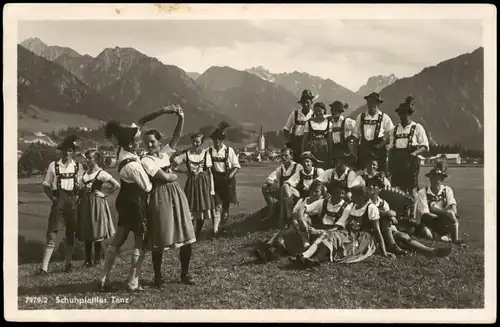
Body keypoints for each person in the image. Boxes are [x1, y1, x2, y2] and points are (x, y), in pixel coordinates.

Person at [140, 106, 197, 287]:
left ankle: (185, 273)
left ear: (159, 141)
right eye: (146, 143)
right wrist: (174, 175)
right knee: (161, 234)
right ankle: (158, 276)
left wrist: (181, 118)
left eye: (152, 142)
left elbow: (176, 137)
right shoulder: (145, 160)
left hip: (176, 194)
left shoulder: (165, 153)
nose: (149, 145)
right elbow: (164, 177)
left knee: (185, 230)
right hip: (160, 195)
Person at [98, 121, 152, 292]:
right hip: (136, 203)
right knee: (139, 239)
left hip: (123, 201)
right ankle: (133, 282)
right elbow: (147, 186)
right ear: (130, 144)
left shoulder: (121, 153)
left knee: (119, 238)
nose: (139, 143)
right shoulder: (134, 165)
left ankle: (104, 278)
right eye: (136, 141)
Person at [291, 185, 395, 267]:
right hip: (349, 233)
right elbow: (342, 223)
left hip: (364, 237)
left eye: (353, 195)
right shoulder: (352, 206)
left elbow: (377, 230)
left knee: (340, 244)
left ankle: (315, 259)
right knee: (330, 236)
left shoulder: (371, 208)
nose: (350, 197)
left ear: (361, 197)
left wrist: (384, 251)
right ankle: (305, 256)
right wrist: (328, 231)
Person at [367, 175, 452, 258]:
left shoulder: (383, 203)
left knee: (403, 236)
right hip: (370, 232)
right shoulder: (364, 201)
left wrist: (392, 219)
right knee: (395, 230)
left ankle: (430, 250)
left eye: (374, 185)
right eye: (369, 185)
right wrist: (387, 214)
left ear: (379, 189)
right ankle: (393, 245)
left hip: (384, 233)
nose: (371, 187)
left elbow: (391, 223)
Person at [37, 135, 84, 275]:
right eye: (65, 150)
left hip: (73, 202)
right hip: (59, 201)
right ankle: (44, 268)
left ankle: (68, 264)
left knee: (71, 233)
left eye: (70, 151)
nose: (67, 153)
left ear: (73, 152)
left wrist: (79, 196)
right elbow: (46, 186)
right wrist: (53, 199)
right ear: (61, 151)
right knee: (52, 232)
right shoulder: (54, 165)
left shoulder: (78, 166)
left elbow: (81, 186)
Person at [252, 180, 327, 262]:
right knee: (286, 233)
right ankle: (270, 250)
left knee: (292, 230)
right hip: (297, 226)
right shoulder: (303, 200)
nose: (314, 193)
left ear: (322, 193)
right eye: (312, 190)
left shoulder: (321, 203)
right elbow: (295, 214)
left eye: (317, 191)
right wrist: (296, 224)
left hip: (309, 228)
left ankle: (272, 250)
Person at [77, 149, 120, 268]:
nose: (87, 160)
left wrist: (104, 194)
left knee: (96, 230)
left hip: (96, 203)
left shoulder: (101, 173)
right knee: (87, 230)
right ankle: (87, 260)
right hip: (85, 203)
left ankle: (96, 260)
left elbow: (116, 185)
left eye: (89, 158)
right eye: (86, 158)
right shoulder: (84, 173)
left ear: (96, 159)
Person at [171, 132, 216, 239]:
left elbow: (210, 173)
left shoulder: (205, 154)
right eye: (194, 141)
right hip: (191, 183)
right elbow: (173, 165)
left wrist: (212, 189)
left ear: (201, 143)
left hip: (203, 184)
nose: (195, 144)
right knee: (190, 208)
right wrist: (184, 172)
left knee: (202, 209)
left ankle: (198, 233)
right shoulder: (186, 154)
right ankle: (191, 234)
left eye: (198, 142)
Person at [415, 167, 467, 247]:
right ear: (429, 179)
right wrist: (444, 214)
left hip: (444, 221)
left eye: (437, 178)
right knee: (427, 236)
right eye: (432, 178)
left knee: (450, 213)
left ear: (442, 180)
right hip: (429, 222)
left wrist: (437, 210)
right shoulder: (422, 192)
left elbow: (454, 209)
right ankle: (442, 237)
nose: (435, 181)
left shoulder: (447, 190)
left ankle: (455, 240)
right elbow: (425, 214)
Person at [388, 96, 429, 194]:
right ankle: (399, 208)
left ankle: (413, 209)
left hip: (411, 162)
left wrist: (415, 153)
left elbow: (425, 146)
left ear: (409, 113)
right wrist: (389, 166)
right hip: (396, 162)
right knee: (396, 189)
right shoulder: (394, 130)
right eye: (400, 113)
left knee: (412, 188)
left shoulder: (417, 127)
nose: (402, 115)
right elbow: (390, 148)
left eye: (405, 113)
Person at [209, 121, 241, 235]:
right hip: (216, 181)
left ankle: (223, 227)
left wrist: (230, 176)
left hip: (227, 181)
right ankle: (215, 231)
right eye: (214, 139)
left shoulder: (229, 150)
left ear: (222, 140)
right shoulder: (209, 151)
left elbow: (237, 166)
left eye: (219, 139)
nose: (216, 141)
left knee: (226, 207)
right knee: (217, 206)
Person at [353, 92, 394, 174]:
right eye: (369, 102)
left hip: (378, 151)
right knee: (362, 173)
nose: (370, 105)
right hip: (364, 149)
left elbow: (391, 134)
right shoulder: (361, 117)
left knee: (379, 173)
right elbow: (356, 135)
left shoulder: (384, 118)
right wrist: (355, 152)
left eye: (373, 102)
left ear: (378, 103)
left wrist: (381, 145)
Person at [261, 147, 303, 225]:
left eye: (286, 155)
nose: (283, 158)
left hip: (295, 193)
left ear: (291, 156)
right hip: (282, 193)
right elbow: (268, 179)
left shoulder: (298, 167)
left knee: (285, 188)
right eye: (282, 156)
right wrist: (273, 184)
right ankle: (272, 209)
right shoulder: (280, 169)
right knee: (265, 187)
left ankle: (286, 217)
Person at [282, 151, 325, 223]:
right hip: (303, 196)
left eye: (308, 161)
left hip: (316, 196)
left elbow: (326, 184)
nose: (305, 164)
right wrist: (289, 198)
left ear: (312, 163)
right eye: (303, 162)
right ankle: (289, 219)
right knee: (286, 191)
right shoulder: (300, 173)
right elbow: (286, 184)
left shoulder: (318, 171)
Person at [283, 89, 315, 162]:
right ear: (301, 103)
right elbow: (286, 129)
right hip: (296, 143)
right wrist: (290, 141)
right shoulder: (295, 114)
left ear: (311, 102)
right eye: (303, 102)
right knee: (296, 165)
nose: (305, 104)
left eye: (307, 102)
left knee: (307, 164)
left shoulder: (314, 115)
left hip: (308, 144)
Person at [302, 102, 332, 169]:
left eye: (320, 111)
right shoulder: (309, 122)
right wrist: (304, 153)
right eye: (316, 111)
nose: (318, 113)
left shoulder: (329, 123)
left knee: (324, 167)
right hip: (312, 149)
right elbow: (304, 139)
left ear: (324, 110)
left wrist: (331, 155)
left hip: (325, 150)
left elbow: (330, 140)